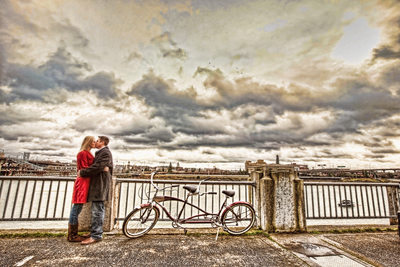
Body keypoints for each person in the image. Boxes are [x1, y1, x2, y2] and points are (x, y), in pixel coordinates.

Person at [79, 136, 113, 245]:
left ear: (102, 142)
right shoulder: (101, 153)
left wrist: (82, 172)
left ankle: (96, 235)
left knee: (97, 210)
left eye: (97, 141)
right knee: (96, 210)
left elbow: (98, 167)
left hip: (100, 185)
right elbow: (100, 167)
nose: (95, 142)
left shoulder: (105, 153)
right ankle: (94, 232)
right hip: (98, 184)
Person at [68, 136, 95, 242]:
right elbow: (84, 169)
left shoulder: (87, 153)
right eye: (93, 141)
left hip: (86, 182)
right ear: (88, 142)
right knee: (76, 207)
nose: (94, 143)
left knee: (78, 207)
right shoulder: (83, 153)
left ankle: (74, 234)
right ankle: (72, 235)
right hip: (83, 182)